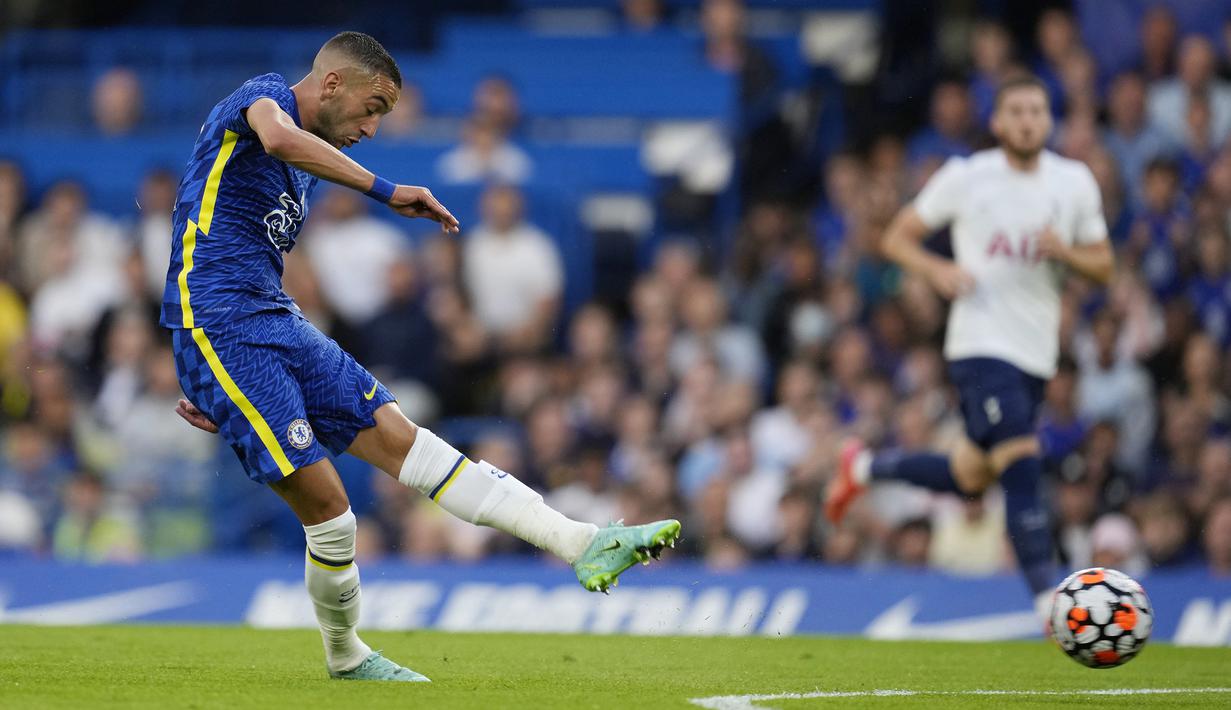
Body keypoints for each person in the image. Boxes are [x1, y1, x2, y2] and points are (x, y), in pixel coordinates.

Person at [162, 32, 679, 682]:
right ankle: (346, 657)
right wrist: (386, 190)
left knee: (406, 440)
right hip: (220, 320)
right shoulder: (263, 99)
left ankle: (579, 541)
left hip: (269, 320)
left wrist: (216, 383)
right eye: (372, 106)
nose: (374, 128)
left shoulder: (301, 169)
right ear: (331, 85)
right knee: (332, 512)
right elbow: (276, 138)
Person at [825, 76, 1113, 606]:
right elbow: (895, 237)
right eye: (1016, 111)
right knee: (1021, 458)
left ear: (1048, 121)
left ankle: (863, 467)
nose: (1027, 121)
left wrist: (1065, 254)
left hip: (1036, 354)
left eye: (1036, 111)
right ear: (998, 123)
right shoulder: (967, 177)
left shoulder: (1073, 183)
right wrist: (936, 270)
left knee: (969, 475)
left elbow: (1104, 266)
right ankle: (1047, 597)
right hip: (978, 343)